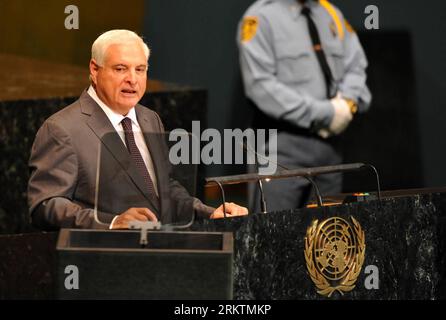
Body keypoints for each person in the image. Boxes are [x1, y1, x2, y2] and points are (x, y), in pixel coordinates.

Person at [28, 29, 248, 230]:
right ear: (94, 70)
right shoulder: (61, 129)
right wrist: (112, 223)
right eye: (120, 68)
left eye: (140, 70)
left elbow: (164, 190)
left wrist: (210, 214)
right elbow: (46, 205)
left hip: (158, 252)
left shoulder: (149, 118)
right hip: (101, 260)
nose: (132, 79)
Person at [237, 0, 371, 212]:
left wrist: (347, 104)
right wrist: (328, 113)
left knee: (327, 233)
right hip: (281, 149)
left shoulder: (330, 12)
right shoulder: (261, 18)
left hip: (330, 150)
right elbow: (261, 87)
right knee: (274, 234)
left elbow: (356, 66)